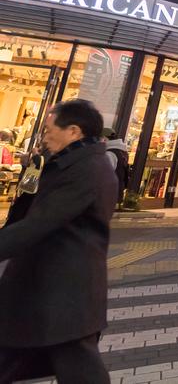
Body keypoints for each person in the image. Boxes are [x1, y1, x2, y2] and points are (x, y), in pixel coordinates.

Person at [0, 99, 116, 383]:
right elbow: (27, 207)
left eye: (49, 129)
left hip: (63, 288)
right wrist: (35, 166)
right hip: (45, 284)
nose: (44, 135)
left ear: (74, 131)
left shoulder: (87, 170)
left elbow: (40, 223)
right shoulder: (64, 161)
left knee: (77, 362)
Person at [102, 128, 129, 206]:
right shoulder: (122, 152)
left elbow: (105, 175)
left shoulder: (110, 153)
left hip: (108, 194)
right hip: (116, 192)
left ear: (104, 138)